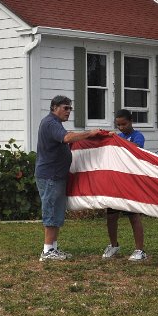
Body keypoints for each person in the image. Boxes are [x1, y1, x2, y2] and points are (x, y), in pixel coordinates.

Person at [36, 95, 104, 262]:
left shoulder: (55, 124)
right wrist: (89, 134)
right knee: (51, 212)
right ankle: (47, 251)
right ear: (54, 108)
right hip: (50, 176)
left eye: (70, 109)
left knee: (57, 212)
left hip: (56, 176)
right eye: (65, 108)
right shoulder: (51, 123)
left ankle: (53, 248)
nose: (68, 112)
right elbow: (67, 138)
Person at [102, 109, 148, 262]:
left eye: (124, 124)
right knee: (111, 216)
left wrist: (118, 142)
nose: (121, 128)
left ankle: (140, 250)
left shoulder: (137, 136)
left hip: (130, 183)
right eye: (118, 125)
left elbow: (136, 148)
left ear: (131, 121)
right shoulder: (118, 137)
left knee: (133, 216)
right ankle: (113, 245)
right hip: (116, 182)